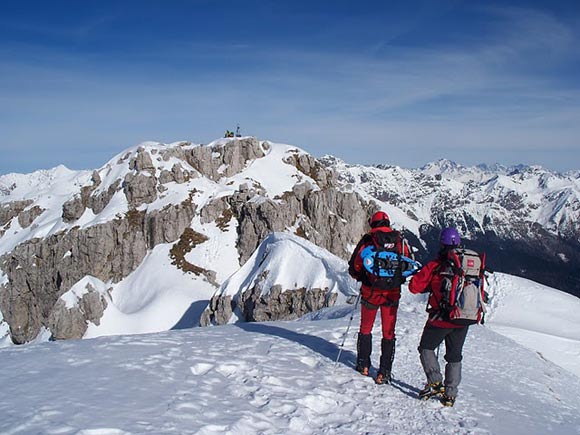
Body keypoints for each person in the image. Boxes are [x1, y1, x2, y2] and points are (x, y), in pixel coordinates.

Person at [408, 227, 471, 407]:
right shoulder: (467, 264)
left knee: (426, 348)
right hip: (462, 317)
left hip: (440, 317)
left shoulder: (435, 265)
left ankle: (435, 382)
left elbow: (414, 287)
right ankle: (450, 394)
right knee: (454, 355)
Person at [348, 210, 410, 385]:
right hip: (392, 293)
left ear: (372, 224)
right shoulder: (400, 240)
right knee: (388, 332)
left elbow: (355, 267)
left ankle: (363, 365)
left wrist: (362, 276)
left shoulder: (368, 241)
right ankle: (384, 372)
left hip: (371, 291)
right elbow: (408, 265)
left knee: (366, 328)